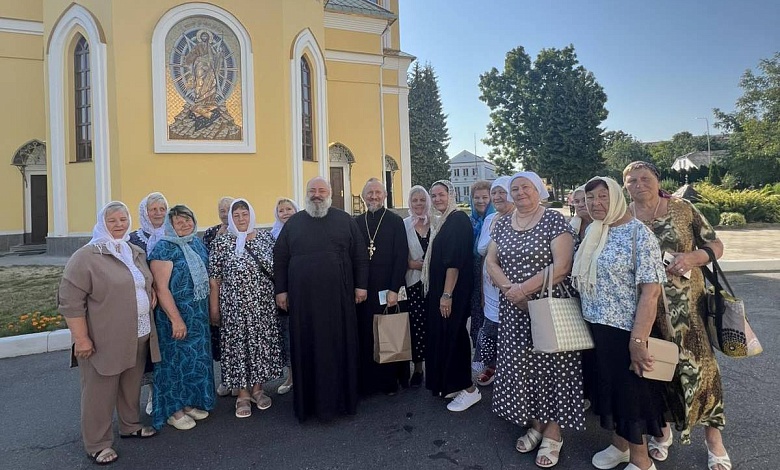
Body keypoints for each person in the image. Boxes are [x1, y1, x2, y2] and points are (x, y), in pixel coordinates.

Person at [623, 161, 731, 470]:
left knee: (703, 374)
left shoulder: (682, 208)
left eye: (645, 178)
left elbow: (715, 244)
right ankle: (663, 431)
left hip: (688, 311)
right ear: (625, 186)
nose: (639, 184)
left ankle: (714, 440)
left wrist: (692, 257)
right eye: (632, 180)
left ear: (658, 181)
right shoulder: (625, 216)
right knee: (656, 372)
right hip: (645, 310)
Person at [485, 171, 582, 468]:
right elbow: (491, 260)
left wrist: (523, 290)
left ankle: (554, 432)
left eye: (525, 187)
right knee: (526, 365)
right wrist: (509, 290)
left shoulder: (554, 219)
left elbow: (563, 266)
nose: (520, 193)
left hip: (548, 304)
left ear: (538, 190)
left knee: (554, 367)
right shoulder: (502, 223)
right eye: (515, 189)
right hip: (514, 308)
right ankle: (538, 423)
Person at [572, 176, 668, 470]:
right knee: (608, 389)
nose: (595, 203)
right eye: (590, 198)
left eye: (602, 197)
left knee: (630, 396)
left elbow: (651, 292)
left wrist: (638, 340)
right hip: (595, 325)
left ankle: (642, 462)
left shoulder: (639, 234)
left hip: (626, 329)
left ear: (615, 197)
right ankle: (620, 445)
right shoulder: (595, 232)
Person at [59, 201, 160, 465]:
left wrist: (150, 294)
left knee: (130, 384)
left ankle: (130, 425)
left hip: (138, 332)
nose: (119, 224)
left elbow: (144, 282)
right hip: (103, 338)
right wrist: (81, 338)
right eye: (113, 220)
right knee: (99, 391)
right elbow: (70, 301)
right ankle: (98, 443)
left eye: (123, 219)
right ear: (103, 223)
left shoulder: (133, 250)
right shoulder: (87, 257)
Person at [274, 177, 369, 422]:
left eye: (321, 191)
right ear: (306, 194)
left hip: (339, 300)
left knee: (339, 346)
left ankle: (342, 402)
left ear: (330, 194)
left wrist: (361, 286)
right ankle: (309, 405)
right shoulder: (293, 223)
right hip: (303, 302)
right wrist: (281, 291)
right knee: (307, 347)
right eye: (312, 191)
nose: (317, 195)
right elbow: (281, 259)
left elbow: (359, 255)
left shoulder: (345, 220)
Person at [209, 199, 283, 418]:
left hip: (262, 306)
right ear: (231, 219)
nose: (241, 219)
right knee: (237, 348)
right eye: (236, 215)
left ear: (252, 215)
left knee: (260, 345)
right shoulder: (221, 242)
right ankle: (242, 394)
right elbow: (214, 280)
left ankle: (258, 389)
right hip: (233, 307)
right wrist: (214, 310)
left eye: (244, 214)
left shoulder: (264, 238)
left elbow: (276, 269)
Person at [149, 205, 215, 430]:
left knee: (193, 360)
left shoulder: (196, 243)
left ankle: (187, 403)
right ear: (171, 226)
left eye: (188, 220)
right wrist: (176, 319)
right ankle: (173, 411)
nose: (185, 224)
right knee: (174, 362)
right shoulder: (164, 248)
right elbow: (161, 288)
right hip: (174, 315)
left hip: (198, 315)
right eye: (179, 222)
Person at [422, 180, 479, 412]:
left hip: (452, 291)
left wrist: (446, 295)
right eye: (433, 196)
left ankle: (469, 389)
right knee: (444, 336)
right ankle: (452, 384)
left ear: (451, 195)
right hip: (441, 290)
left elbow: (453, 263)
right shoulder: (443, 220)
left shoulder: (457, 220)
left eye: (441, 195)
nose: (437, 200)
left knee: (454, 337)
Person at [354, 178, 410, 395]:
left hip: (390, 287)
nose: (374, 197)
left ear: (385, 195)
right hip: (365, 289)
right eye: (369, 193)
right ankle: (369, 382)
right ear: (363, 196)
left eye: (378, 193)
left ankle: (390, 381)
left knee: (390, 332)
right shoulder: (358, 222)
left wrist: (394, 289)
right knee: (368, 334)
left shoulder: (396, 222)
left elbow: (401, 256)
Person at [128, 191, 168, 415]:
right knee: (151, 349)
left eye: (162, 209)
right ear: (145, 212)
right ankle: (153, 393)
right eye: (153, 209)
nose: (158, 213)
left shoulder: (172, 234)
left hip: (171, 300)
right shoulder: (133, 239)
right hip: (148, 302)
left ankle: (171, 391)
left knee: (169, 347)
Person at [473, 176, 514, 386]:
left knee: (513, 330)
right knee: (491, 326)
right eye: (495, 193)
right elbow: (481, 249)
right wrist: (494, 229)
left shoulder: (519, 216)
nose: (497, 197)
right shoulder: (491, 219)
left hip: (512, 283)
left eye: (502, 192)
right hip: (490, 283)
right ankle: (491, 365)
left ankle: (511, 372)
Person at [202, 196, 233, 398]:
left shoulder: (245, 233)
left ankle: (238, 380)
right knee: (222, 338)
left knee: (236, 337)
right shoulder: (211, 233)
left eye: (228, 208)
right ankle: (226, 378)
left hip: (237, 295)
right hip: (216, 293)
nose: (225, 212)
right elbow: (206, 259)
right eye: (222, 209)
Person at [270, 197, 300, 395]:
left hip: (302, 290)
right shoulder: (271, 236)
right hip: (283, 291)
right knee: (288, 335)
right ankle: (291, 377)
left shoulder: (303, 231)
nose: (286, 213)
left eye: (289, 208)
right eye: (281, 210)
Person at [402, 185, 432, 388]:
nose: (419, 203)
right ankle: (419, 368)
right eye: (415, 200)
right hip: (413, 283)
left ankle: (435, 366)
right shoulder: (403, 225)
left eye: (422, 200)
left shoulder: (436, 223)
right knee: (416, 326)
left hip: (433, 284)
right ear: (410, 203)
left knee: (433, 325)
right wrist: (411, 264)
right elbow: (396, 251)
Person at [468, 180, 495, 347]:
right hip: (473, 280)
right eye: (476, 197)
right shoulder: (468, 222)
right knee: (477, 322)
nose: (480, 201)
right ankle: (482, 364)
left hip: (491, 279)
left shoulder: (497, 221)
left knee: (493, 322)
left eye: (485, 197)